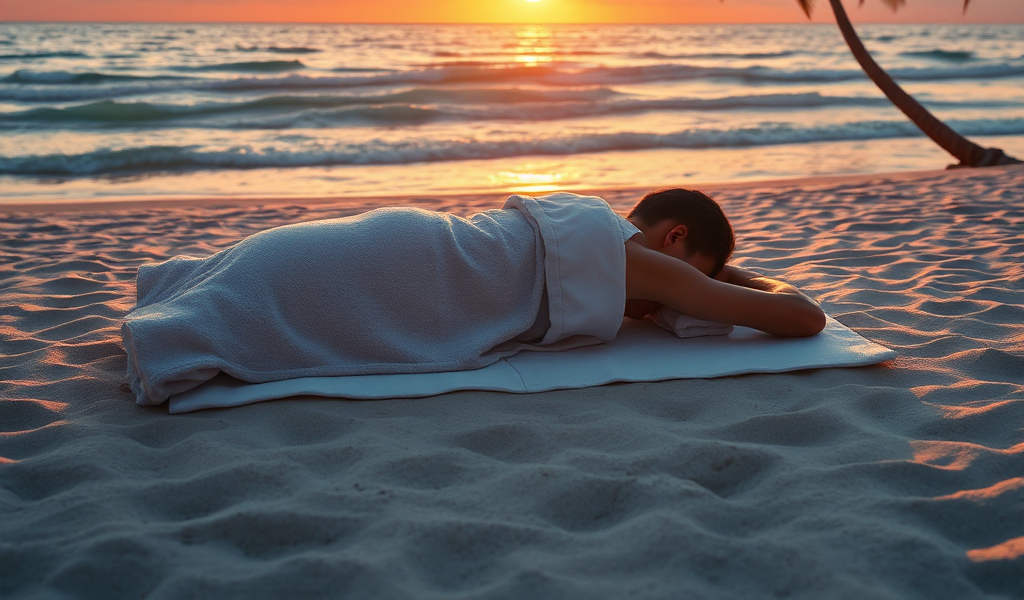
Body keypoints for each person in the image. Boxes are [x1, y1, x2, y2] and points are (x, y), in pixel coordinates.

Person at [122, 188, 824, 406]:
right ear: (675, 239)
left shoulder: (593, 224)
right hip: (421, 270)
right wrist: (727, 282)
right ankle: (181, 331)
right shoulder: (642, 260)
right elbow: (802, 316)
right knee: (295, 302)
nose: (678, 301)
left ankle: (181, 297)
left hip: (414, 240)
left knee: (289, 273)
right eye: (697, 272)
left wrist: (704, 277)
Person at [622, 188, 826, 337]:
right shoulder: (639, 260)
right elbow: (807, 317)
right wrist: (728, 274)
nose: (664, 303)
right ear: (675, 237)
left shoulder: (597, 211)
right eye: (690, 273)